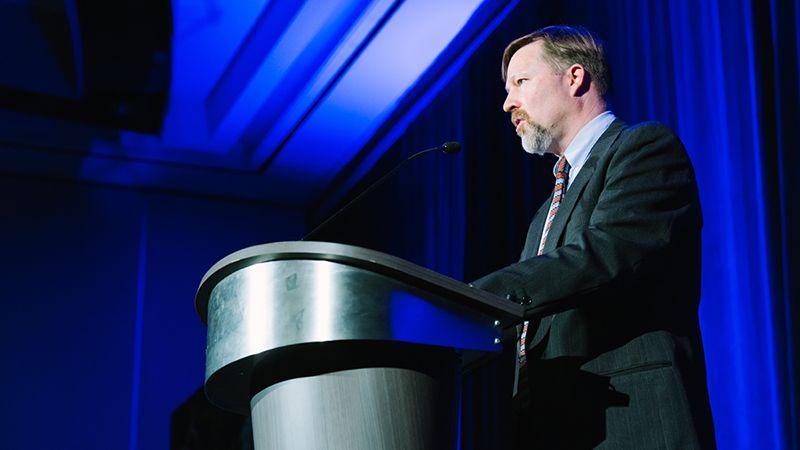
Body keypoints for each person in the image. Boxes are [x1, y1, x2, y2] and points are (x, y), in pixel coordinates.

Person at [471, 25, 716, 448]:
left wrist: (471, 300)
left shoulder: (644, 148)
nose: (507, 102)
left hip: (633, 423)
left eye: (520, 83)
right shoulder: (542, 216)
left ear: (575, 77)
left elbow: (605, 254)